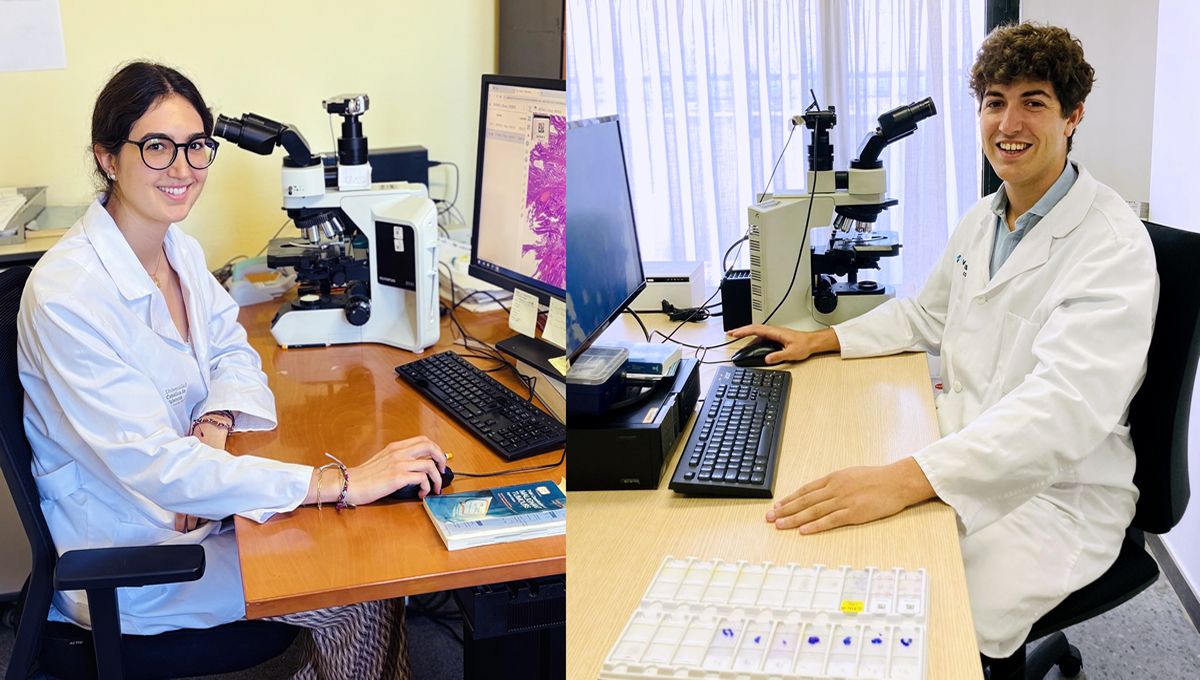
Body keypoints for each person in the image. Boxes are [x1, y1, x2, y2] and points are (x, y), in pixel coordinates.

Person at [730, 22, 1158, 663]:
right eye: (994, 101)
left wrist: (906, 479)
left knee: (919, 618)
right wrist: (822, 339)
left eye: (1033, 102)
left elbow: (1061, 413)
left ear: (1073, 116)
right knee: (837, 543)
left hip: (1057, 495)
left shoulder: (1112, 247)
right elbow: (925, 316)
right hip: (967, 443)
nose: (1008, 122)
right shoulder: (987, 216)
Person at [17, 61, 448, 679]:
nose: (183, 168)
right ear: (108, 157)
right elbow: (156, 468)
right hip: (136, 559)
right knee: (360, 588)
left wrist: (214, 418)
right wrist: (337, 482)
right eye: (156, 147)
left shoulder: (176, 249)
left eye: (196, 147)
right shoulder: (68, 295)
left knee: (363, 556)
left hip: (193, 508)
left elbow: (233, 349)